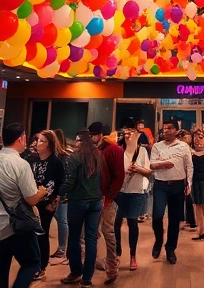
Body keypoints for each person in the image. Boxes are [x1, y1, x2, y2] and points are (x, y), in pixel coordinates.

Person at [0, 123, 48, 288]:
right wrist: (41, 192)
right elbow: (31, 199)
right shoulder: (21, 164)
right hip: (18, 226)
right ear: (21, 139)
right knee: (31, 264)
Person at [60, 130, 104, 287]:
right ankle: (87, 278)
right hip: (96, 201)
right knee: (91, 239)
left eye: (77, 141)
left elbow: (70, 181)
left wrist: (59, 193)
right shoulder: (98, 155)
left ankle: (75, 272)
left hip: (78, 201)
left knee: (74, 237)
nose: (75, 144)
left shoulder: (74, 157)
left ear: (80, 141)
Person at [149, 121, 193, 264]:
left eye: (169, 128)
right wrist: (166, 163)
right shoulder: (157, 146)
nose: (166, 130)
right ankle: (158, 239)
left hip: (178, 186)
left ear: (176, 130)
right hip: (160, 185)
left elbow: (189, 166)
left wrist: (189, 183)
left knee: (175, 220)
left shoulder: (183, 146)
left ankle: (170, 249)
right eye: (164, 128)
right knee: (157, 216)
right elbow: (151, 164)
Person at [90, 122, 125, 285]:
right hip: (96, 196)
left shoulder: (113, 150)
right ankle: (102, 263)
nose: (92, 137)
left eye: (94, 134)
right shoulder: (99, 149)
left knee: (107, 231)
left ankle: (112, 265)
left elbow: (119, 176)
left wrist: (110, 196)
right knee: (94, 232)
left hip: (107, 198)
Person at [28, 130, 65, 282]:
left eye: (42, 141)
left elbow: (59, 185)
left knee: (42, 233)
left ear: (49, 144)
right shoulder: (33, 160)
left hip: (47, 203)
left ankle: (41, 267)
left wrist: (54, 201)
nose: (38, 143)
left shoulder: (56, 162)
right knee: (31, 234)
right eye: (37, 140)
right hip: (31, 201)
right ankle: (32, 263)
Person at [115, 122, 151, 272]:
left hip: (136, 191)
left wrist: (138, 169)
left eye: (131, 132)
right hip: (119, 191)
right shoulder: (118, 150)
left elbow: (148, 171)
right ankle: (116, 252)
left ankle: (132, 255)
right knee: (116, 223)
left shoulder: (142, 151)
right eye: (125, 133)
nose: (128, 135)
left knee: (132, 221)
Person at [52, 128, 72, 260]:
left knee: (62, 219)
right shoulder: (65, 154)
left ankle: (62, 248)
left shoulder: (62, 156)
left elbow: (64, 175)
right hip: (61, 191)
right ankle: (63, 247)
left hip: (62, 191)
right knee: (60, 218)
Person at [179, 130, 197, 231]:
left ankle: (191, 221)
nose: (188, 140)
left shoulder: (188, 149)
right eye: (186, 138)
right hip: (183, 176)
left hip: (188, 176)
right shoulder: (183, 148)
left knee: (189, 199)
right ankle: (188, 220)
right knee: (186, 199)